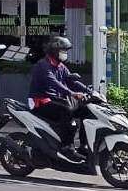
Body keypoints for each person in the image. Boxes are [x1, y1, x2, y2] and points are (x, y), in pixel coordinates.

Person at [28, 36, 89, 164]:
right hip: (40, 102)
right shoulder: (43, 65)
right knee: (66, 111)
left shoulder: (60, 66)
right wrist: (72, 93)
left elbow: (71, 80)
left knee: (86, 110)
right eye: (63, 51)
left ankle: (84, 146)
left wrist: (88, 91)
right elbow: (54, 83)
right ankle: (67, 147)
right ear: (55, 51)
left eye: (66, 51)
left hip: (54, 100)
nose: (65, 54)